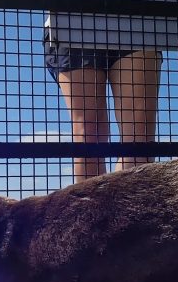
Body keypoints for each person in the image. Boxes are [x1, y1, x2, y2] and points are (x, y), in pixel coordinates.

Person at [46, 30, 163, 182]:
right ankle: (90, 205)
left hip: (137, 18)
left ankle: (129, 203)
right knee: (88, 133)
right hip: (72, 20)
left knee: (139, 135)